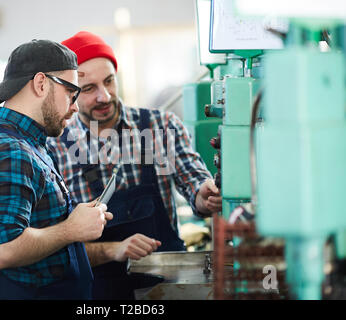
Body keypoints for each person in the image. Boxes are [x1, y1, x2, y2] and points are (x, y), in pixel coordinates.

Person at [46, 31, 222, 300]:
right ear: (69, 94)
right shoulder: (55, 149)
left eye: (109, 81)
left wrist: (205, 195)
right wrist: (115, 248)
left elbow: (194, 181)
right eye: (89, 89)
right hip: (99, 293)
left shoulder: (161, 126)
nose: (104, 96)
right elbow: (60, 246)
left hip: (170, 285)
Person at [0, 39, 112, 300]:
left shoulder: (22, 140)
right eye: (71, 93)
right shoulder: (11, 151)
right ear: (41, 83)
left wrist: (73, 219)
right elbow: (3, 250)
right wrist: (70, 230)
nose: (75, 106)